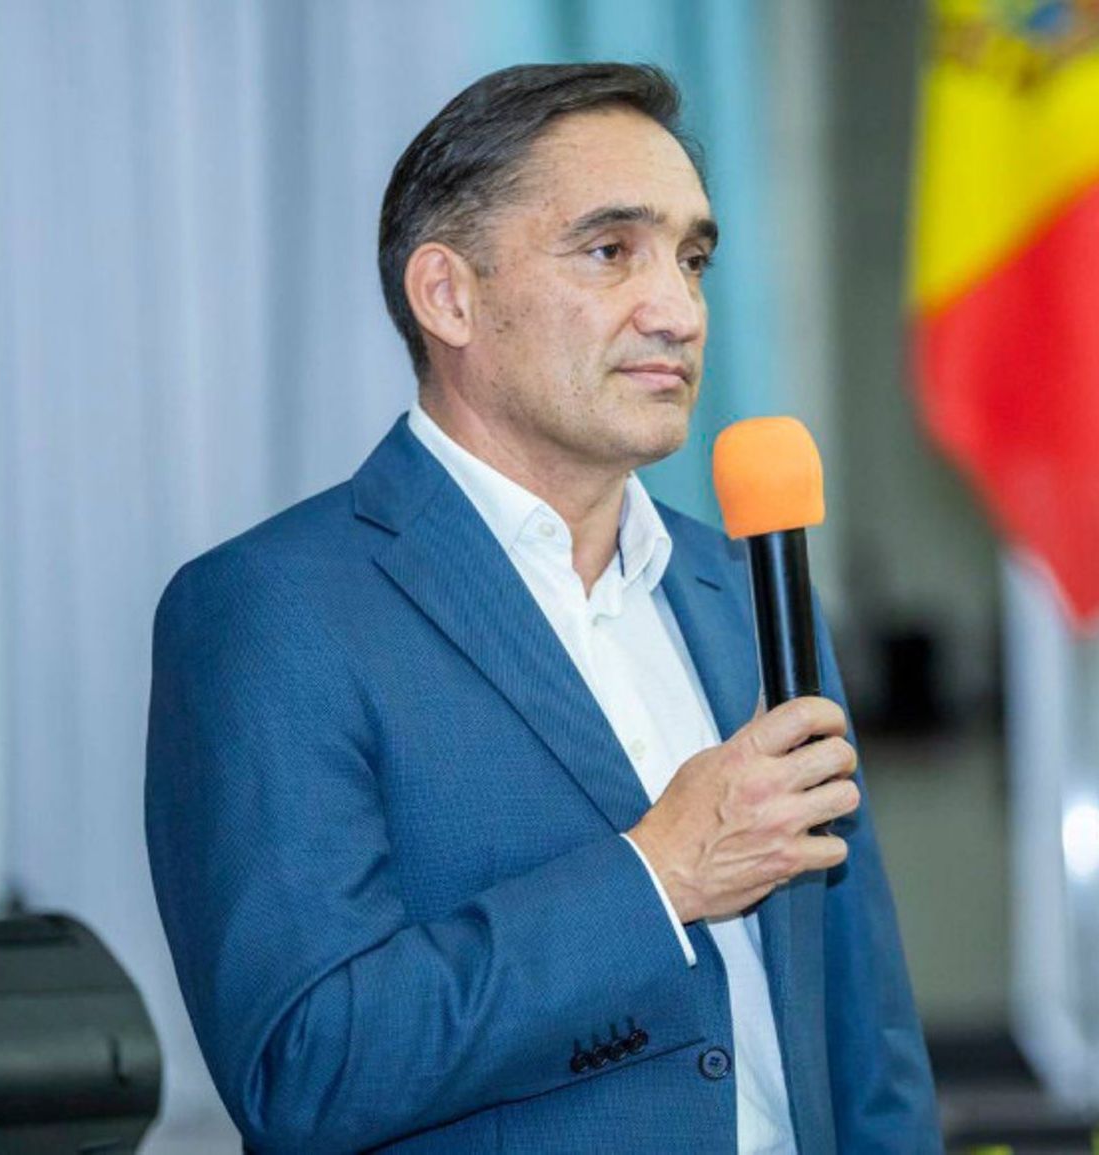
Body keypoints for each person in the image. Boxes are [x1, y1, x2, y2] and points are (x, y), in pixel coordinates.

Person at [144, 62, 941, 1153]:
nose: (678, 312)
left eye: (692, 258)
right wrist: (657, 876)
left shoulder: (748, 591)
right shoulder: (271, 611)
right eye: (611, 251)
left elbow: (864, 1028)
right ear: (449, 296)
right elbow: (306, 1069)